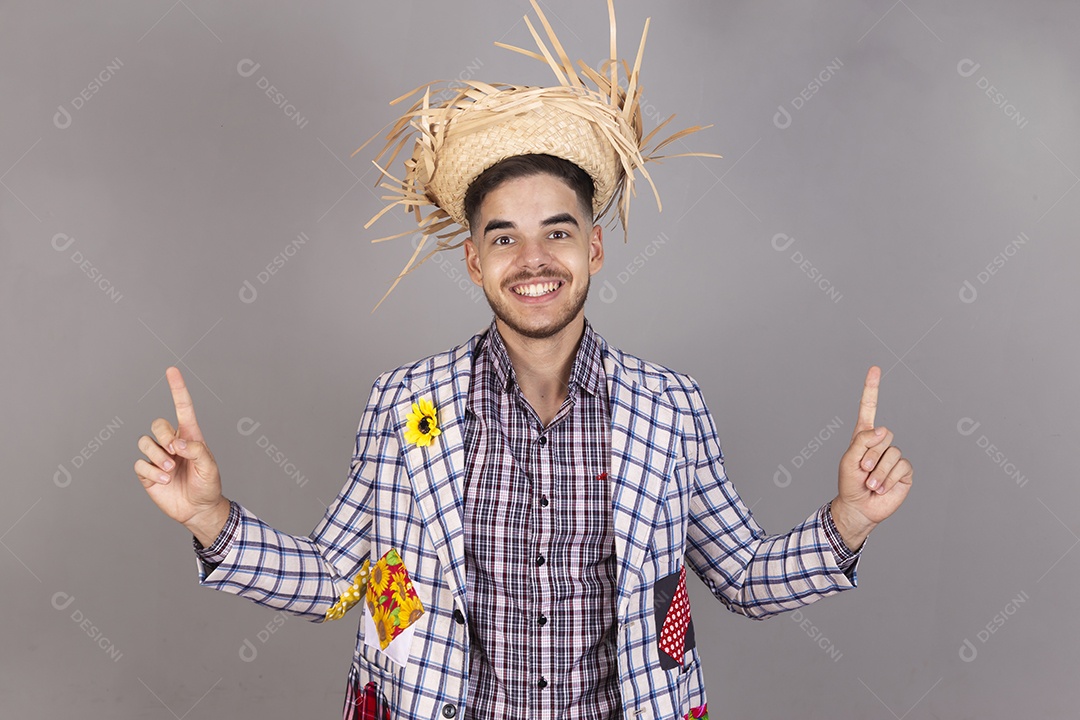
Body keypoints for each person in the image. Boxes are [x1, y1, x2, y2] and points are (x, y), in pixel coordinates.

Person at [133, 4, 913, 720]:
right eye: (504, 236)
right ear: (474, 261)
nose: (532, 258)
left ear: (595, 247)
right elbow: (342, 581)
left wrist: (849, 520)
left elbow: (740, 576)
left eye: (558, 231)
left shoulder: (671, 407)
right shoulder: (405, 405)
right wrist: (210, 518)